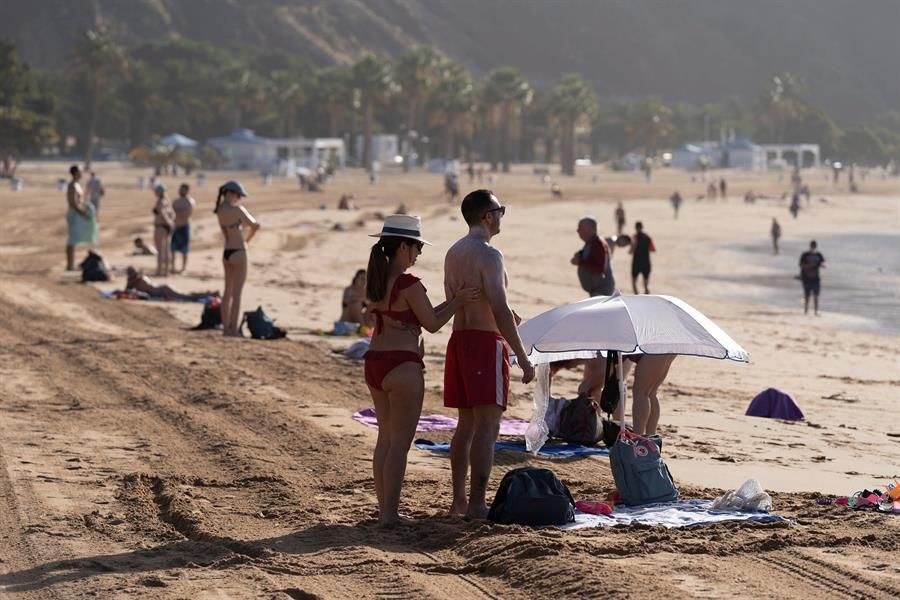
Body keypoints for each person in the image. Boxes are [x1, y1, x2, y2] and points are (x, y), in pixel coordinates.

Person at [363, 215, 479, 525]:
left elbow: (418, 316)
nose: (418, 255)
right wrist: (458, 302)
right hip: (402, 364)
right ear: (403, 246)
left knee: (385, 440)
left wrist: (452, 301)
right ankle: (390, 515)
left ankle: (383, 510)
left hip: (375, 362)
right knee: (400, 443)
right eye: (417, 248)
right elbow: (432, 323)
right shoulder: (408, 283)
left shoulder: (375, 280)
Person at [444, 189, 536, 518]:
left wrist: (510, 317)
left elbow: (480, 302)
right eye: (500, 210)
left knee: (466, 424)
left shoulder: (454, 252)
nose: (501, 216)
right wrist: (522, 357)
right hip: (485, 343)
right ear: (487, 216)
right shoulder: (488, 254)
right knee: (487, 427)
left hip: (460, 339)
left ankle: (459, 501)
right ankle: (477, 503)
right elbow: (497, 307)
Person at [215, 180, 260, 337]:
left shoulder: (220, 209)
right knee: (237, 294)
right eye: (238, 195)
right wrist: (247, 239)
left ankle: (225, 328)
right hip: (239, 251)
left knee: (227, 293)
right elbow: (255, 225)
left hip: (226, 252)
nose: (239, 199)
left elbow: (227, 228)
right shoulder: (238, 210)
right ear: (231, 194)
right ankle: (233, 329)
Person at [626, 354, 676, 436]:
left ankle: (639, 439)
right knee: (650, 393)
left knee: (642, 392)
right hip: (665, 346)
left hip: (656, 346)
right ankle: (650, 439)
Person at [572, 217, 615, 297]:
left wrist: (580, 262)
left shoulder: (598, 244)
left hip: (602, 292)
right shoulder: (591, 242)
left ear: (589, 229)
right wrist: (579, 256)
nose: (577, 231)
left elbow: (599, 268)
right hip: (597, 291)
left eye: (580, 228)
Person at [65, 165, 96, 270]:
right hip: (74, 214)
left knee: (74, 240)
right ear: (75, 173)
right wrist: (82, 213)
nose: (81, 173)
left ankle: (71, 264)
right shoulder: (72, 185)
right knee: (71, 240)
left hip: (78, 214)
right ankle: (70, 265)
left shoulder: (77, 185)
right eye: (79, 172)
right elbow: (73, 203)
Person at [125, 267, 218, 301]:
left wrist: (129, 281)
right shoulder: (139, 279)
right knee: (187, 295)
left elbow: (127, 290)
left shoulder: (137, 280)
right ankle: (208, 293)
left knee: (187, 297)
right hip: (163, 289)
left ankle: (209, 294)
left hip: (164, 291)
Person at [170, 183, 196, 273]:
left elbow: (187, 213)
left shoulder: (190, 201)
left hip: (185, 227)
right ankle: (172, 267)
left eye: (183, 189)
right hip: (176, 227)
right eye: (180, 189)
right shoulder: (176, 201)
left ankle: (183, 268)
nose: (181, 191)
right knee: (173, 249)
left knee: (184, 249)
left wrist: (178, 211)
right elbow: (171, 213)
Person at [152, 185, 175, 277]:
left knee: (160, 250)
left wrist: (168, 222)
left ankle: (159, 271)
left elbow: (162, 213)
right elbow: (173, 214)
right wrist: (170, 222)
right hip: (166, 227)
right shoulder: (167, 202)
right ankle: (165, 271)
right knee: (166, 249)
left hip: (160, 227)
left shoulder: (160, 202)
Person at [799, 240, 825, 315]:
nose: (813, 247)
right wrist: (810, 266)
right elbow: (801, 265)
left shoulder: (819, 255)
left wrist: (819, 265)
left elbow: (823, 263)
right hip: (806, 278)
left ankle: (815, 311)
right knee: (807, 296)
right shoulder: (805, 254)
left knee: (816, 295)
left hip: (815, 278)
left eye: (814, 246)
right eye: (812, 246)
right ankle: (806, 310)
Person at [629, 221, 655, 294]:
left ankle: (637, 296)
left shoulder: (634, 237)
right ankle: (646, 298)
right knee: (646, 285)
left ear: (635, 228)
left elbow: (631, 251)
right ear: (642, 227)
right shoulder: (648, 237)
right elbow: (653, 249)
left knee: (634, 283)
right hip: (646, 262)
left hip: (636, 262)